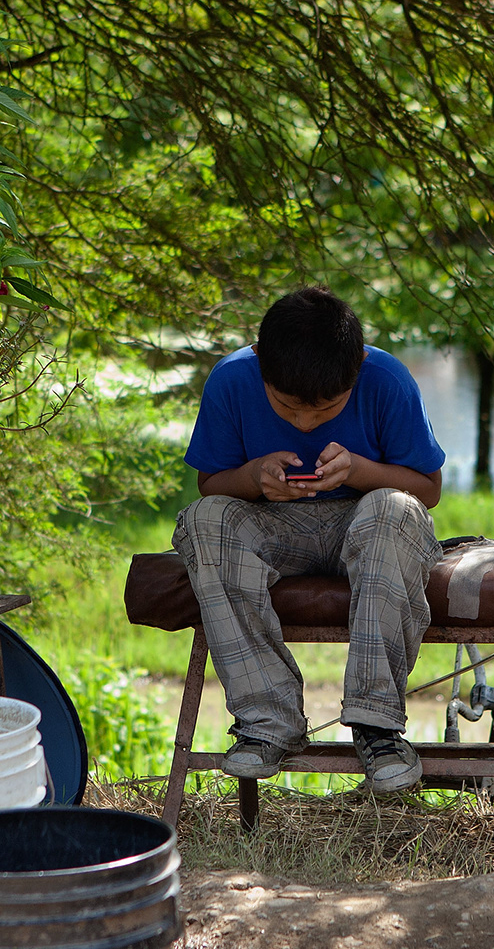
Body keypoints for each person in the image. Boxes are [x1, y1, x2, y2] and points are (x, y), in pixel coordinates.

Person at [174, 286, 446, 792]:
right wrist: (253, 476)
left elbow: (427, 490)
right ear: (259, 362)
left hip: (369, 527)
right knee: (204, 518)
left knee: (394, 508)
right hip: (275, 526)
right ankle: (267, 723)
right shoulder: (232, 379)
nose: (305, 423)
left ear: (358, 365)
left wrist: (360, 471)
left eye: (326, 410)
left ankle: (377, 724)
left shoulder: (387, 379)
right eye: (288, 407)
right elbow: (211, 484)